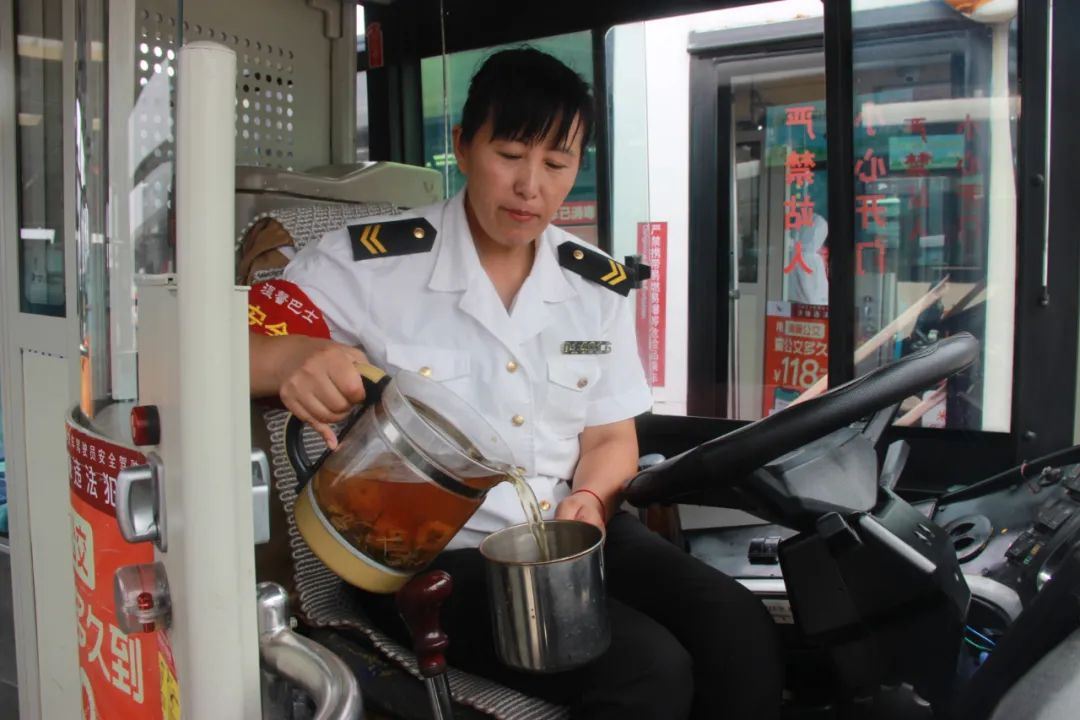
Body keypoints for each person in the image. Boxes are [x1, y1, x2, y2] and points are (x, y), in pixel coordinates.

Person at [249, 48, 783, 720]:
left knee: (740, 630)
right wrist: (292, 358)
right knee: (649, 673)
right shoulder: (370, 263)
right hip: (434, 556)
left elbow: (611, 437)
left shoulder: (595, 287)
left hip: (569, 532)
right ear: (462, 146)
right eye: (509, 155)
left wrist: (589, 500)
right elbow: (226, 346)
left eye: (557, 164)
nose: (531, 186)